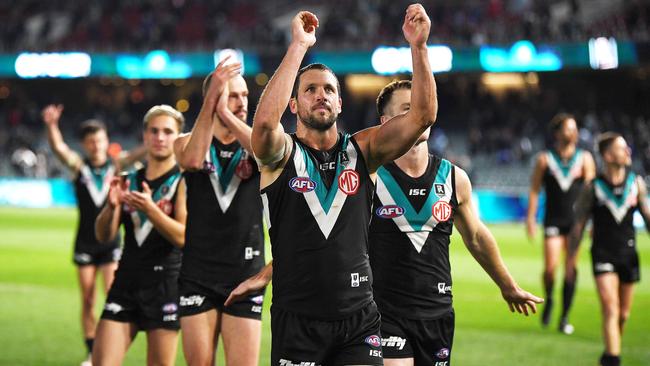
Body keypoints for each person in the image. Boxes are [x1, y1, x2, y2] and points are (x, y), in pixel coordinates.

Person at [249, 4, 440, 364]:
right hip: (298, 321)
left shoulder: (364, 149)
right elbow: (262, 128)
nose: (320, 94)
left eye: (328, 89)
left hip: (359, 321)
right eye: (309, 90)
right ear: (293, 104)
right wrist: (298, 47)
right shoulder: (280, 155)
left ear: (339, 102)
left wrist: (419, 47)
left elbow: (422, 116)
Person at [369, 80, 542, 365]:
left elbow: (475, 236)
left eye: (422, 107)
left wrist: (507, 285)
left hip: (437, 314)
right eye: (408, 109)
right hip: (384, 313)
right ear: (386, 122)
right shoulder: (371, 177)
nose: (419, 114)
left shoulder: (454, 178)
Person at [174, 57, 265, 365]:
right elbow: (191, 161)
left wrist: (224, 110)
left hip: (245, 274)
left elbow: (265, 153)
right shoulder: (184, 142)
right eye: (232, 95)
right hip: (198, 274)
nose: (241, 102)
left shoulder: (260, 141)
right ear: (212, 98)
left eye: (243, 96)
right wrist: (213, 103)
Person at [42, 105, 143, 365]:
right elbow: (59, 149)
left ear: (106, 141)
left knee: (111, 295)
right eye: (90, 141)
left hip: (111, 241)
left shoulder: (117, 164)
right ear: (85, 144)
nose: (96, 145)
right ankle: (91, 350)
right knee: (87, 298)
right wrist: (52, 125)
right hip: (85, 242)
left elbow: (144, 152)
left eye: (99, 140)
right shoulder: (79, 167)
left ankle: (107, 345)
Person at [93, 105, 186, 366]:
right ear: (144, 136)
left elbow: (184, 238)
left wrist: (150, 209)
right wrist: (111, 208)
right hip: (125, 282)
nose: (160, 137)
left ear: (178, 138)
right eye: (154, 131)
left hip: (165, 285)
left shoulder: (184, 181)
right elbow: (104, 235)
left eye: (168, 132)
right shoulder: (128, 179)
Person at [568, 133, 650, 366]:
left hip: (629, 255)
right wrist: (571, 261)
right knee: (610, 308)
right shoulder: (593, 187)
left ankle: (608, 355)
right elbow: (578, 226)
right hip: (603, 255)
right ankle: (614, 359)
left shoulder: (636, 183)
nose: (628, 152)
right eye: (622, 148)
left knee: (623, 315)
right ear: (607, 155)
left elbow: (646, 215)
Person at [526, 113, 596, 334]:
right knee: (550, 269)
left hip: (576, 223)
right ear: (557, 133)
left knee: (570, 269)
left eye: (574, 128)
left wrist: (593, 221)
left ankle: (564, 316)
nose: (573, 133)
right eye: (568, 128)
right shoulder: (544, 159)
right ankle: (549, 298)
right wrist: (530, 218)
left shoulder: (585, 159)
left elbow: (591, 193)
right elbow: (535, 190)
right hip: (553, 220)